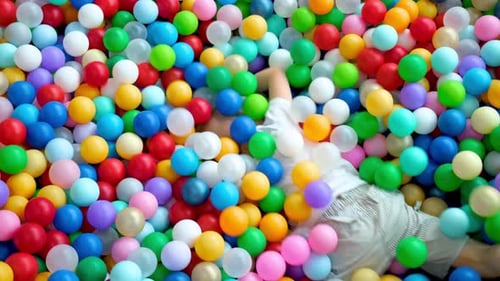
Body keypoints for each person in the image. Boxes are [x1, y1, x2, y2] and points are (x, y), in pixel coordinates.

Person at [200, 67, 500, 280]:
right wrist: (242, 83)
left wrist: (236, 85)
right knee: (485, 260)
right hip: (377, 205)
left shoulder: (239, 167)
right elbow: (276, 73)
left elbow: (276, 74)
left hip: (332, 233)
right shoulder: (274, 126)